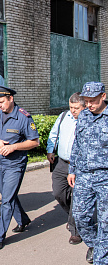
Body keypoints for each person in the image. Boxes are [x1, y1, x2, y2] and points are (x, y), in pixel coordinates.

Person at [0, 85, 39, 251]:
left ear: (11, 99)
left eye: (2, 102)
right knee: (7, 194)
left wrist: (14, 147)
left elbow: (34, 142)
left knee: (7, 200)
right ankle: (23, 220)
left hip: (15, 164)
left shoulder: (23, 117)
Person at [67, 81, 108, 264]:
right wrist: (72, 169)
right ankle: (96, 244)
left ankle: (101, 258)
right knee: (80, 216)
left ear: (103, 96)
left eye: (93, 100)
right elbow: (77, 144)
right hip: (84, 175)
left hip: (105, 177)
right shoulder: (83, 116)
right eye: (86, 100)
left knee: (106, 223)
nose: (89, 104)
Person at [46, 92, 85, 245]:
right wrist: (50, 150)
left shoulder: (87, 121)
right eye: (71, 107)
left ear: (84, 107)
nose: (73, 111)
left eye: (76, 108)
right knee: (58, 193)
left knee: (77, 197)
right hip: (61, 163)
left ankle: (75, 231)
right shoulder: (64, 116)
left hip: (79, 166)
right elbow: (54, 133)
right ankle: (75, 216)